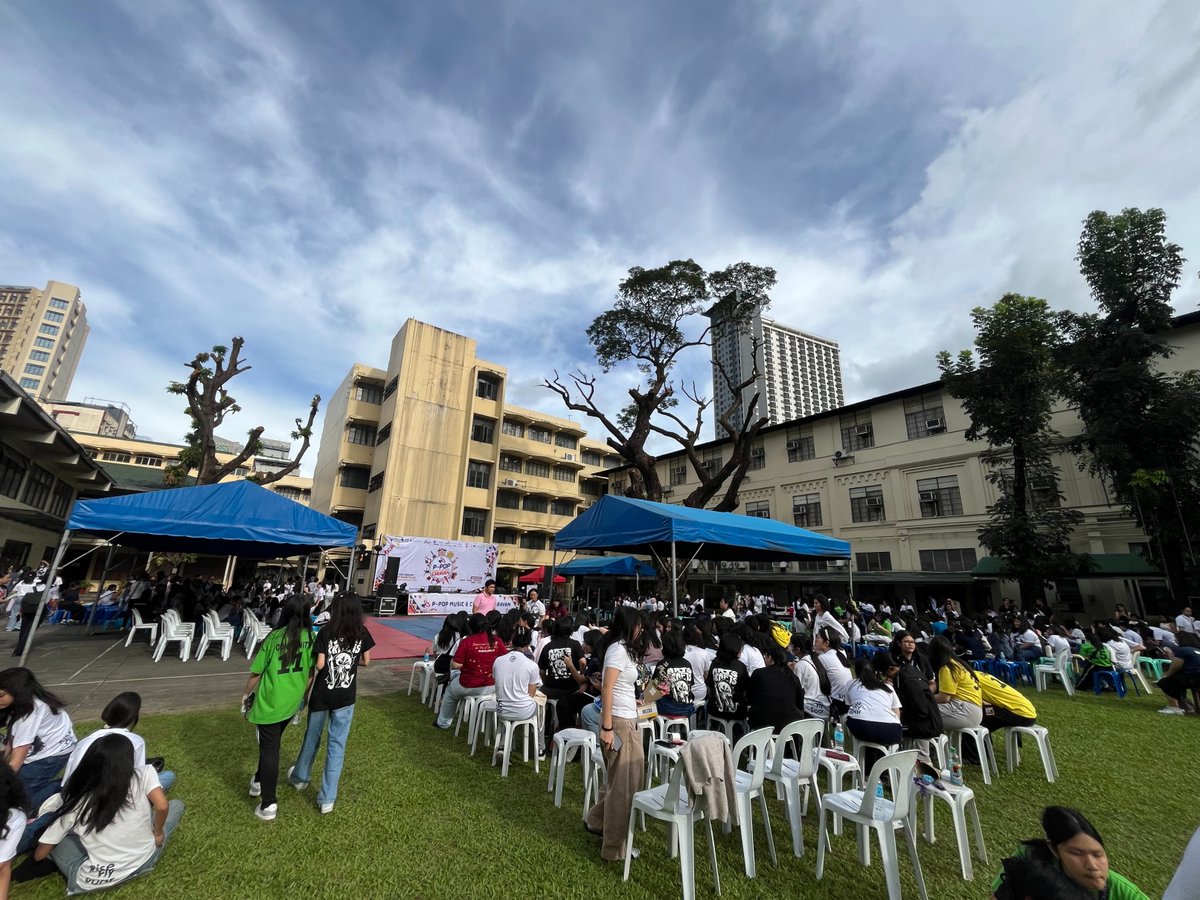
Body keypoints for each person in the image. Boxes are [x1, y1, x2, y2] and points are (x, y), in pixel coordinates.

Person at [31, 735, 184, 894]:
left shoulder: (78, 804)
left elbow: (39, 856)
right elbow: (162, 806)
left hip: (94, 880)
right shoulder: (144, 773)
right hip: (145, 858)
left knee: (58, 841)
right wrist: (158, 833)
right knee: (177, 806)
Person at [287, 595, 374, 814]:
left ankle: (300, 777)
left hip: (322, 695)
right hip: (346, 698)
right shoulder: (362, 633)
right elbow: (366, 661)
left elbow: (319, 664)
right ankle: (327, 798)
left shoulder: (326, 632)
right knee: (337, 745)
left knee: (312, 738)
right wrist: (350, 662)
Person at [584, 606, 648, 863]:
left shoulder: (624, 649)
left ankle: (596, 820)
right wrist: (607, 728)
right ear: (628, 625)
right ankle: (613, 848)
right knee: (624, 786)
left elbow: (620, 687)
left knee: (622, 780)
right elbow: (607, 688)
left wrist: (636, 702)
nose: (641, 630)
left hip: (627, 717)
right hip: (619, 723)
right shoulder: (618, 650)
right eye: (638, 626)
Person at [243, 597, 315, 821]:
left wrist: (245, 694)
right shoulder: (311, 638)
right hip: (292, 702)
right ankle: (257, 780)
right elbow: (311, 674)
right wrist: (303, 697)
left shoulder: (274, 638)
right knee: (271, 745)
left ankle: (268, 803)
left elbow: (256, 672)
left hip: (270, 702)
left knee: (269, 751)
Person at [992, 806, 1149, 900]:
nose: (1092, 865)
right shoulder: (1030, 869)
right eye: (1077, 853)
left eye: (1097, 854)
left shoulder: (1123, 891)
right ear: (1054, 850)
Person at [63, 693, 174, 792]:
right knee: (168, 776)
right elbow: (137, 779)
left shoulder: (86, 741)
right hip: (112, 797)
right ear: (133, 716)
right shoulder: (135, 741)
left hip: (73, 793)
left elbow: (67, 779)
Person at [0, 667, 76, 810]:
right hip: (56, 747)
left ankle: (66, 788)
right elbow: (12, 736)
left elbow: (16, 762)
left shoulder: (31, 714)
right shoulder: (24, 703)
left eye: (1, 695)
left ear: (18, 692)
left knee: (21, 802)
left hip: (51, 756)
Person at [435, 613, 507, 729]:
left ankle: (443, 723)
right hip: (492, 685)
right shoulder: (496, 640)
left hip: (469, 685)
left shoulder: (467, 641)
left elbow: (456, 664)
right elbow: (505, 659)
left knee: (450, 693)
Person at [845, 654, 902, 769]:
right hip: (892, 730)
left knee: (851, 718)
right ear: (875, 672)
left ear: (856, 673)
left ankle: (865, 767)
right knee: (879, 737)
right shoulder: (888, 687)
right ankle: (884, 769)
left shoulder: (851, 684)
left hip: (862, 726)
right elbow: (896, 712)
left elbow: (850, 705)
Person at [926, 635, 984, 733]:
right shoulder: (960, 664)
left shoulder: (947, 668)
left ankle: (928, 748)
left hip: (963, 710)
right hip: (976, 711)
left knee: (920, 712)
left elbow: (944, 698)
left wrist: (923, 697)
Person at [747, 644, 804, 734]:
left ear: (770, 658)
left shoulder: (759, 673)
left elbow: (749, 697)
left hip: (762, 724)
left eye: (765, 655)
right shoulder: (793, 677)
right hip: (788, 726)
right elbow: (800, 704)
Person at [492, 626, 541, 727]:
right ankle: (540, 742)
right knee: (540, 707)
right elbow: (531, 695)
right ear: (528, 645)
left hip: (502, 710)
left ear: (511, 642)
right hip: (524, 710)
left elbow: (497, 683)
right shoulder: (532, 665)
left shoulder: (498, 661)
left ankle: (503, 740)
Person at [652, 631, 695, 719]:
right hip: (688, 708)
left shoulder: (663, 664)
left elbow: (654, 688)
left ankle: (657, 730)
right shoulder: (687, 663)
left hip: (668, 708)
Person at [706, 633, 750, 720]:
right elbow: (746, 688)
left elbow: (710, 685)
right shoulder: (740, 666)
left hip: (715, 709)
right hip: (738, 712)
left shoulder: (714, 663)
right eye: (740, 648)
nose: (741, 650)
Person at [788, 635, 832, 721]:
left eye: (791, 644)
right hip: (824, 705)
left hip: (812, 708)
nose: (789, 646)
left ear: (797, 649)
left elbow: (796, 691)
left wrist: (791, 672)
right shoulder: (814, 659)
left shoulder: (800, 665)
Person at [1157, 631, 1200, 715]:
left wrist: (1166, 676)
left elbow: (1176, 666)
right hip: (1196, 676)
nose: (1175, 641)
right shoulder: (1197, 650)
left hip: (1195, 677)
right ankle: (1187, 705)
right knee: (1179, 680)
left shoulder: (1182, 650)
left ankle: (1174, 708)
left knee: (1165, 682)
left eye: (1175, 639)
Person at [814, 626, 853, 715]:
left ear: (826, 643)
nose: (815, 640)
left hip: (837, 702)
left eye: (818, 637)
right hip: (848, 699)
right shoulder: (841, 652)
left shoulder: (823, 657)